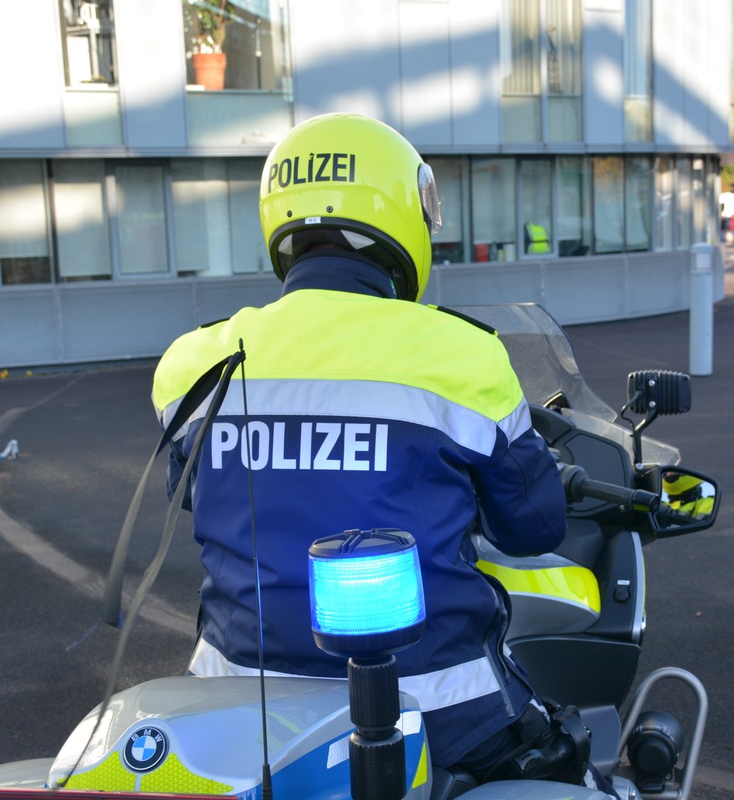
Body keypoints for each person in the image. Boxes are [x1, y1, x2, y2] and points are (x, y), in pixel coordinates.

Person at [151, 113, 592, 789]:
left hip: (235, 703)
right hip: (438, 705)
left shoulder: (196, 359)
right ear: (403, 212)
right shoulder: (461, 355)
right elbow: (532, 529)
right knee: (566, 768)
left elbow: (195, 501)